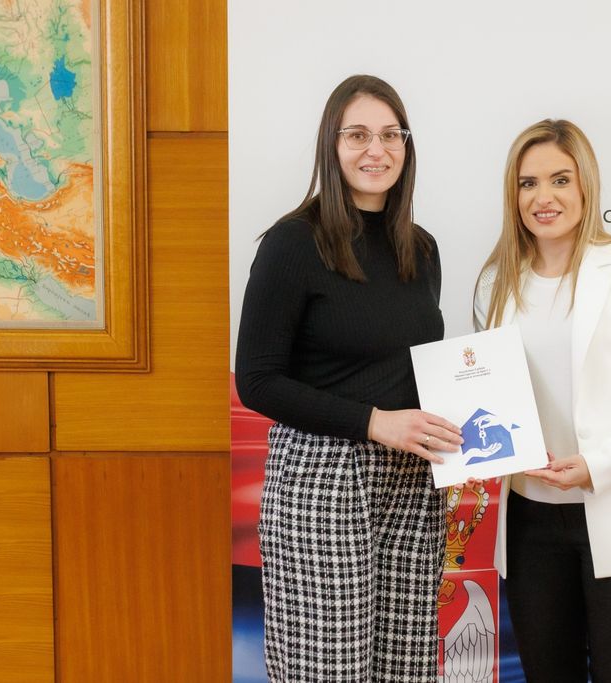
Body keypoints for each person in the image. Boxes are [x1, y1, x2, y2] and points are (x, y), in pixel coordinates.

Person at [235, 74, 462, 682]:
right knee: (327, 670)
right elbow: (257, 380)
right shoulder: (292, 243)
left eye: (391, 135)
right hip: (322, 478)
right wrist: (372, 422)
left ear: (406, 145)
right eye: (357, 135)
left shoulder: (423, 249)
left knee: (406, 669)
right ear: (331, 145)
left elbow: (406, 366)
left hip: (411, 481)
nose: (376, 150)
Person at [473, 119, 611, 682]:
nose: (543, 198)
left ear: (585, 185)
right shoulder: (495, 283)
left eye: (559, 180)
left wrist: (596, 465)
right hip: (529, 519)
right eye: (527, 183)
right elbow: (489, 397)